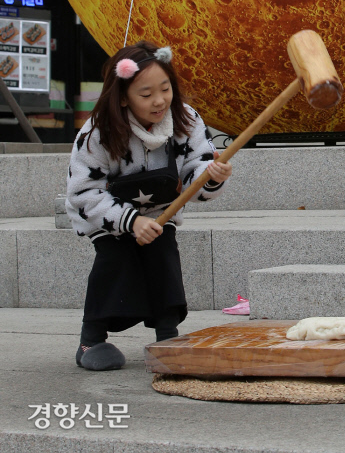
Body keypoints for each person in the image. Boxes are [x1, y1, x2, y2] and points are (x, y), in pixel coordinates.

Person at [66, 40, 232, 371]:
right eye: (146, 94)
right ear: (123, 95)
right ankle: (91, 340)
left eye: (165, 89)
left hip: (160, 210)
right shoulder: (98, 132)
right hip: (106, 215)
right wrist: (130, 222)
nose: (159, 101)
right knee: (115, 261)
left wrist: (211, 175)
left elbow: (195, 169)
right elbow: (83, 192)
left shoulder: (185, 119)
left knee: (163, 259)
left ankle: (167, 336)